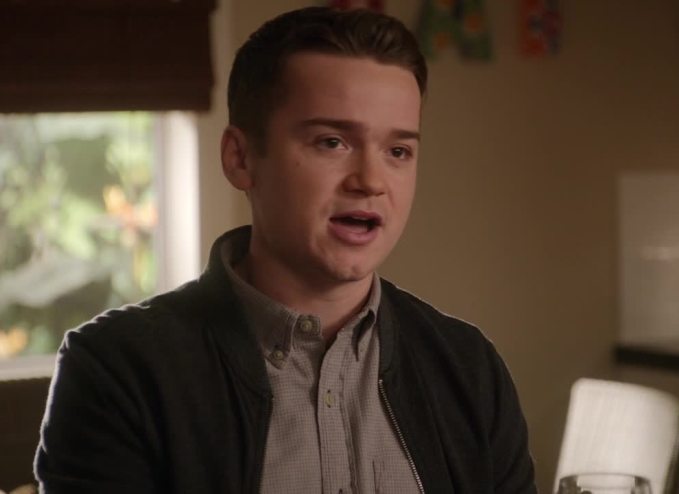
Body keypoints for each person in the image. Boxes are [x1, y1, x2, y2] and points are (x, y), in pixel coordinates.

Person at [34, 6, 536, 493]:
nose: (371, 180)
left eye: (398, 151)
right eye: (332, 142)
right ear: (240, 158)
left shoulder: (469, 368)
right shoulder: (117, 371)